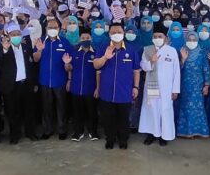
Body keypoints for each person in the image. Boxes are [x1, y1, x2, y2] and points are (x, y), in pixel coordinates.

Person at [94, 22, 141, 150]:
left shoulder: (131, 50)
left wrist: (136, 87)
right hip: (106, 91)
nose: (116, 35)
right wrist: (105, 57)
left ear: (123, 33)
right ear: (109, 34)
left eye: (119, 32)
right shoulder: (103, 47)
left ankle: (123, 140)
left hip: (124, 92)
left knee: (124, 118)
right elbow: (96, 65)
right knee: (108, 118)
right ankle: (110, 139)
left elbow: (136, 70)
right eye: (113, 32)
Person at [138, 24, 180, 146]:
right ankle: (151, 134)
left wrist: (175, 90)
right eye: (155, 36)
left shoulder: (171, 51)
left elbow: (176, 71)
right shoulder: (147, 50)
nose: (157, 38)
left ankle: (164, 136)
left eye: (160, 36)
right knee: (151, 110)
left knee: (165, 111)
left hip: (167, 89)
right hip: (151, 87)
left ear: (165, 38)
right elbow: (143, 67)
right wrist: (152, 60)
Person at [33, 19, 73, 140]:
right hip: (45, 81)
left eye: (55, 27)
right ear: (46, 29)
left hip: (60, 81)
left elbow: (70, 66)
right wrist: (39, 50)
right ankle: (47, 130)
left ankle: (62, 130)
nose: (52, 30)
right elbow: (35, 59)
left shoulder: (65, 43)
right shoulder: (40, 42)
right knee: (46, 107)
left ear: (59, 29)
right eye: (50, 27)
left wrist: (67, 65)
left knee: (61, 107)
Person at [0, 24, 37, 144]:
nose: (16, 36)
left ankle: (31, 133)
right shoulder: (4, 48)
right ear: (8, 36)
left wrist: (34, 83)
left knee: (29, 110)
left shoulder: (26, 47)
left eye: (18, 34)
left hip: (26, 84)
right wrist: (4, 50)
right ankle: (15, 135)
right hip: (11, 86)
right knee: (13, 112)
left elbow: (32, 67)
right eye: (13, 35)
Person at [63, 28, 99, 142]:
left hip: (91, 88)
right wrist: (67, 64)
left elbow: (99, 72)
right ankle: (78, 132)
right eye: (83, 38)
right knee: (77, 112)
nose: (85, 40)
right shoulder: (74, 52)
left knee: (92, 112)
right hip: (76, 87)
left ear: (91, 38)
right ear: (79, 39)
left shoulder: (96, 52)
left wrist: (98, 87)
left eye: (87, 38)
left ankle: (93, 132)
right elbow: (69, 69)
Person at [177, 31, 210, 138]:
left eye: (194, 40)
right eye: (189, 40)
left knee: (198, 107)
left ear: (197, 40)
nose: (191, 42)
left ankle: (198, 131)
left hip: (198, 86)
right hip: (185, 85)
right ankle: (186, 132)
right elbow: (176, 70)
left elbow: (206, 70)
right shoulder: (182, 51)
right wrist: (183, 59)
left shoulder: (202, 53)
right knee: (185, 107)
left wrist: (207, 85)